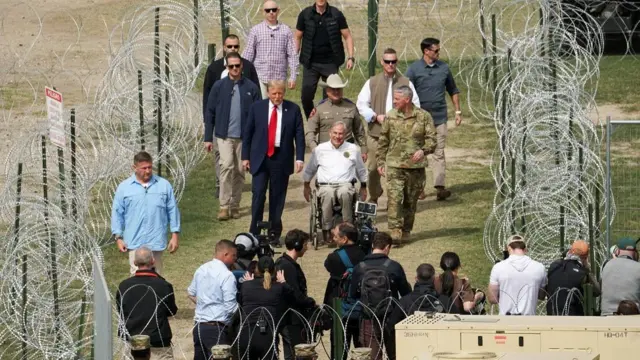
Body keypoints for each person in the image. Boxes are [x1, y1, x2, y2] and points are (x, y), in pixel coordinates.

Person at [242, 80, 305, 241]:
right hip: (260, 158)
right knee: (258, 194)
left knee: (277, 197)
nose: (277, 97)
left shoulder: (293, 109)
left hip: (281, 158)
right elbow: (248, 133)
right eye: (274, 93)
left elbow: (299, 135)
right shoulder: (257, 108)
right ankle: (254, 231)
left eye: (280, 93)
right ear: (268, 92)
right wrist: (245, 157)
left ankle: (273, 232)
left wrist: (299, 158)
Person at [356, 48, 420, 204]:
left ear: (397, 62)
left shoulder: (406, 82)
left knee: (399, 168)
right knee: (372, 169)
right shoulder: (372, 82)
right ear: (382, 62)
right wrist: (375, 116)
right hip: (376, 134)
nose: (391, 64)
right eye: (387, 61)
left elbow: (416, 105)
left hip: (399, 136)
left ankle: (398, 199)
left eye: (393, 61)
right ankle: (375, 195)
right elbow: (361, 104)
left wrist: (403, 119)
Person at [204, 52, 261, 221]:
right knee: (226, 166)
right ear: (227, 67)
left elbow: (258, 114)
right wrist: (208, 137)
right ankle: (224, 205)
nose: (235, 69)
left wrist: (257, 140)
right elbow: (210, 112)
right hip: (224, 135)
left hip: (244, 137)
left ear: (242, 66)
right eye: (231, 66)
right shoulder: (219, 86)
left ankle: (235, 204)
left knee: (240, 170)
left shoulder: (251, 88)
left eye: (237, 65)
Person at [376, 86, 437, 244]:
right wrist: (381, 161)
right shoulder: (390, 116)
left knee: (411, 200)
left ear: (407, 99)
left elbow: (432, 140)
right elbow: (383, 140)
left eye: (397, 99)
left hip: (415, 168)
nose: (394, 102)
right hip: (395, 165)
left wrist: (424, 151)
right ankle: (395, 230)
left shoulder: (423, 117)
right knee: (394, 198)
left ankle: (406, 229)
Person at [406, 38, 462, 201]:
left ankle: (440, 187)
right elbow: (406, 92)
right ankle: (419, 188)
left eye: (438, 50)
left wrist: (457, 111)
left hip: (439, 118)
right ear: (426, 51)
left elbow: (453, 90)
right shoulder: (414, 69)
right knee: (419, 153)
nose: (438, 53)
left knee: (438, 152)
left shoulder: (444, 68)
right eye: (436, 50)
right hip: (419, 119)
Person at [111, 151, 180, 276]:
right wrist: (118, 238)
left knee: (157, 276)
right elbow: (117, 214)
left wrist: (175, 234)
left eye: (149, 167)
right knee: (136, 277)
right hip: (134, 241)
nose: (148, 171)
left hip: (156, 241)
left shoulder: (164, 186)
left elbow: (172, 210)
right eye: (144, 168)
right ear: (135, 168)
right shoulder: (124, 188)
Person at [303, 122, 368, 244]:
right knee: (327, 194)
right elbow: (310, 169)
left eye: (341, 134)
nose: (338, 136)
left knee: (345, 192)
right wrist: (306, 185)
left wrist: (364, 186)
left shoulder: (353, 149)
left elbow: (361, 170)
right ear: (330, 133)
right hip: (325, 185)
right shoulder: (320, 149)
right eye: (335, 133)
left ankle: (347, 228)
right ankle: (327, 230)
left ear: (346, 134)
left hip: (346, 184)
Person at [350, 232, 411, 360]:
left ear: (372, 245)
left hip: (368, 317)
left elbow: (353, 294)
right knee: (396, 355)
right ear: (387, 247)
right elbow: (406, 293)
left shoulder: (359, 268)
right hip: (391, 317)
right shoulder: (394, 267)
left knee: (372, 356)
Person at [235, 256, 310, 360]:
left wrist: (247, 283)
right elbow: (293, 298)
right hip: (267, 334)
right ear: (274, 269)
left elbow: (240, 302)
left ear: (257, 269)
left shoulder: (246, 286)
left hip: (247, 334)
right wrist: (284, 282)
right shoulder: (278, 287)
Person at [294, 0, 355, 119]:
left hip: (331, 62)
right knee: (306, 96)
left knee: (330, 97)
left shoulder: (336, 14)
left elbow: (347, 36)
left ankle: (327, 124)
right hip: (310, 63)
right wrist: (293, 57)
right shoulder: (305, 15)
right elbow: (297, 37)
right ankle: (313, 121)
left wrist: (351, 57)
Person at [116, 247, 178, 359]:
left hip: (132, 341)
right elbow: (171, 311)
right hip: (158, 340)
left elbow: (121, 311)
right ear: (153, 261)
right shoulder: (164, 286)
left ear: (135, 262)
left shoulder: (124, 286)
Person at [187, 240, 239, 360]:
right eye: (233, 255)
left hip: (199, 327)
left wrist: (203, 303)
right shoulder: (227, 275)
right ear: (225, 254)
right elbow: (231, 308)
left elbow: (190, 293)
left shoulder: (202, 269)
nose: (235, 259)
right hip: (217, 328)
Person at [322, 222, 366, 360]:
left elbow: (328, 266)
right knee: (363, 351)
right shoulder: (365, 253)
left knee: (339, 352)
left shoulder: (334, 257)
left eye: (335, 236)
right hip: (362, 308)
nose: (333, 238)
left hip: (340, 310)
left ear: (344, 239)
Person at [242, 0, 298, 98]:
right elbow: (248, 53)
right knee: (262, 106)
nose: (271, 12)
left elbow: (292, 54)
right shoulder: (256, 30)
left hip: (279, 77)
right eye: (268, 10)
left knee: (276, 106)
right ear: (263, 12)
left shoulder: (286, 30)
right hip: (260, 76)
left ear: (278, 11)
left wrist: (293, 76)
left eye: (274, 10)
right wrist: (242, 71)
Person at [275, 229, 317, 360]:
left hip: (289, 318)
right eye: (305, 245)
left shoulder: (283, 263)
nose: (306, 248)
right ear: (297, 245)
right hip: (292, 319)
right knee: (297, 354)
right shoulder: (288, 266)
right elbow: (295, 294)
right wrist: (311, 302)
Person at [305, 74, 367, 157]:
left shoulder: (351, 107)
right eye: (333, 89)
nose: (336, 92)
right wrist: (315, 149)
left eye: (338, 89)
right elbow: (310, 132)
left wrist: (363, 149)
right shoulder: (319, 109)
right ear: (327, 90)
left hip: (347, 152)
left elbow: (359, 130)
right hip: (325, 153)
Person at [488, 235, 547, 316]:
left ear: (508, 248)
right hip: (529, 320)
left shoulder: (498, 267)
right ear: (525, 249)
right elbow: (541, 295)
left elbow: (492, 299)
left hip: (505, 319)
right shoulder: (539, 267)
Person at [545, 240, 601, 316]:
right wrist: (588, 271)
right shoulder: (581, 273)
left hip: (552, 313)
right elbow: (597, 291)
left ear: (570, 251)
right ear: (585, 258)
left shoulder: (554, 266)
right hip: (571, 316)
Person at [388, 264, 443, 329]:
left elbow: (391, 325)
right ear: (434, 279)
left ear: (416, 279)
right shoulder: (443, 301)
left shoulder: (404, 302)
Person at [600, 237, 640, 316]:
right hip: (632, 317)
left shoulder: (606, 265)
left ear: (617, 251)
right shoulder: (638, 267)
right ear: (635, 252)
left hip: (607, 316)